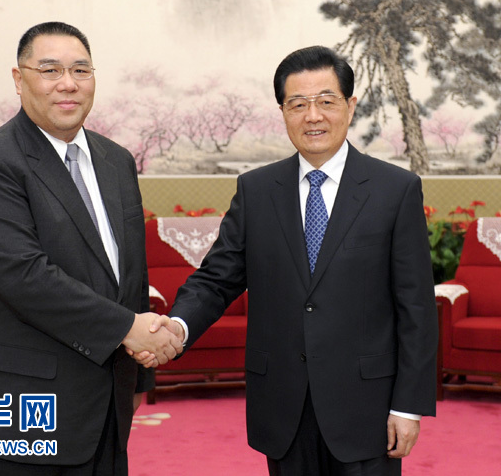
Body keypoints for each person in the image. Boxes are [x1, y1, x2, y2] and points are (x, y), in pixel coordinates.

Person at [135, 46, 438, 475]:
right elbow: (217, 279)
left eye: (326, 101)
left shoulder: (395, 190)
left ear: (350, 106)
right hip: (282, 405)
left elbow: (416, 307)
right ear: (282, 112)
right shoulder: (257, 190)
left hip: (366, 406)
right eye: (298, 104)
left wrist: (408, 405)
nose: (312, 116)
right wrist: (178, 328)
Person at [0, 21, 181, 475]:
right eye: (50, 70)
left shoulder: (116, 161)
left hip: (108, 406)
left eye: (81, 70)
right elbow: (24, 278)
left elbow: (131, 275)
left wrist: (140, 371)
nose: (68, 83)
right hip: (22, 413)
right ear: (19, 79)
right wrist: (128, 329)